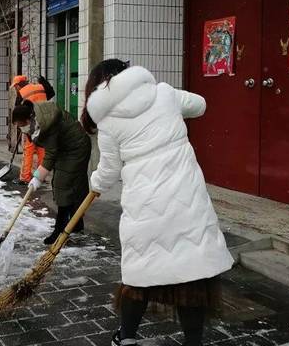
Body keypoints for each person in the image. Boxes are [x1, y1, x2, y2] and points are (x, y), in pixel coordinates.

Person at [82, 59, 234, 346]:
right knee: (192, 271)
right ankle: (193, 341)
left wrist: (96, 184)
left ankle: (126, 337)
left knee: (142, 271)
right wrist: (170, 103)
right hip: (186, 199)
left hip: (146, 206)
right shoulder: (164, 93)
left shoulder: (108, 122)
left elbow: (109, 171)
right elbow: (200, 104)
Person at [12, 99, 91, 244]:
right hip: (64, 148)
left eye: (21, 125)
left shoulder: (47, 122)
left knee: (63, 185)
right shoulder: (34, 122)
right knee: (71, 185)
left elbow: (51, 153)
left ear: (28, 119)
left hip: (76, 148)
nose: (21, 129)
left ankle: (59, 230)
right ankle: (76, 223)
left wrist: (37, 177)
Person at [11, 75, 47, 185]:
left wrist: (23, 127)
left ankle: (25, 177)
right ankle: (41, 177)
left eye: (15, 86)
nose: (15, 89)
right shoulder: (40, 87)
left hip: (31, 125)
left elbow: (20, 113)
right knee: (42, 150)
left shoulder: (22, 93)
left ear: (18, 85)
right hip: (44, 121)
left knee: (28, 149)